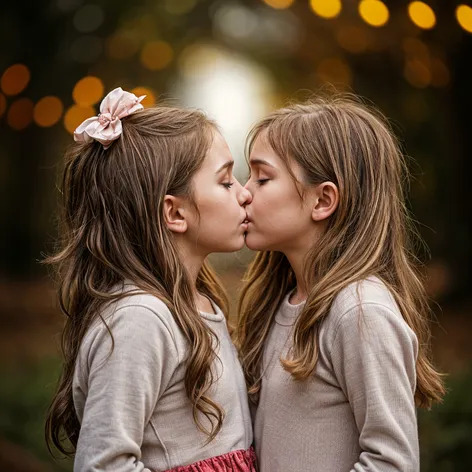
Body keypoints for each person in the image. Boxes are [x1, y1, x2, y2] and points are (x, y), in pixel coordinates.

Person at [45, 88, 255, 472]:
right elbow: (103, 464)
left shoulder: (198, 300)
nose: (245, 194)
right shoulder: (140, 319)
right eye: (226, 182)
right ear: (174, 213)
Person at [237, 95, 445, 471]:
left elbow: (393, 463)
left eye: (262, 178)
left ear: (323, 200)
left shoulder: (360, 311)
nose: (243, 191)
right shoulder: (281, 302)